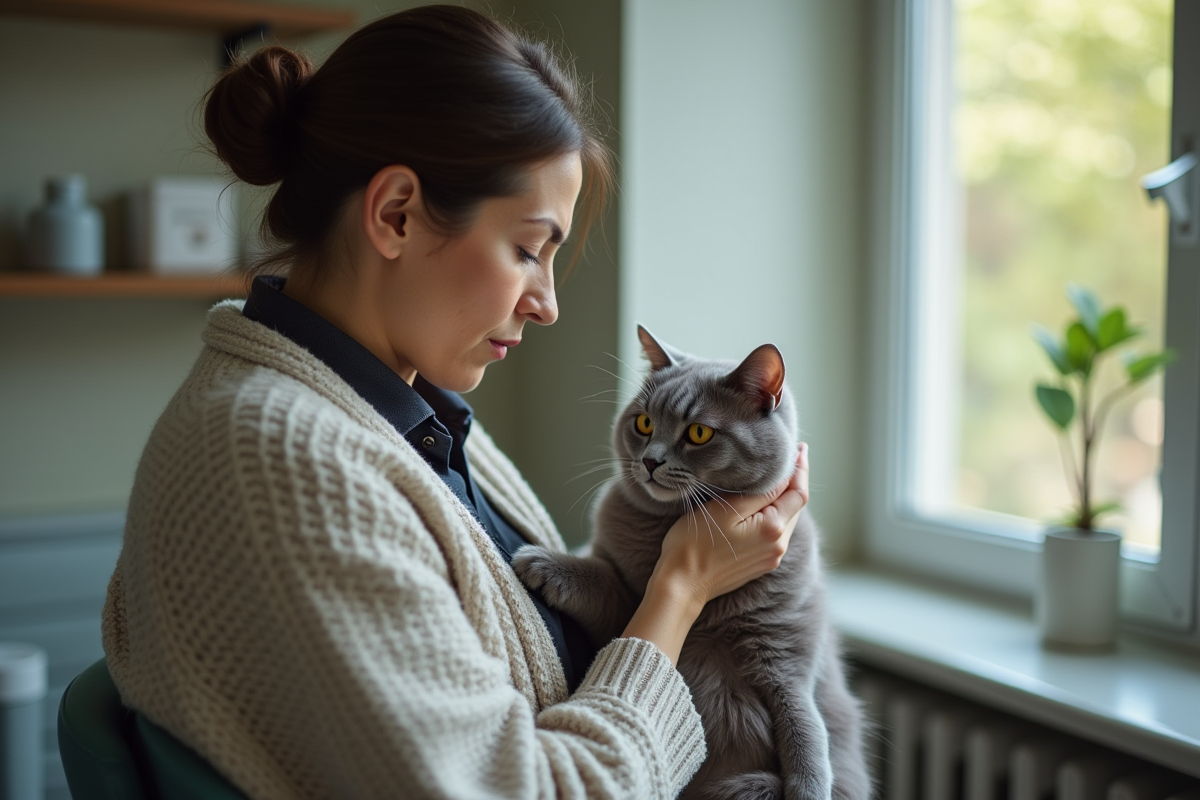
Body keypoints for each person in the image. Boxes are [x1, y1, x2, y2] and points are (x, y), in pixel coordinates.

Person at [100, 6, 810, 799]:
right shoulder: (285, 462)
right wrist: (680, 591)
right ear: (395, 214)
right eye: (526, 249)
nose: (547, 303)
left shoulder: (404, 412)